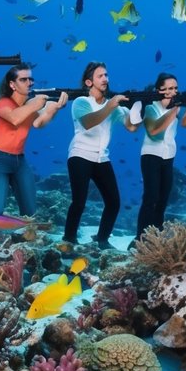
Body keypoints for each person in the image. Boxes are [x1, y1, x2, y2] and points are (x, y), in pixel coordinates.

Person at [64, 61, 138, 247]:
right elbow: (89, 123)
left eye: (106, 75)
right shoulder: (81, 102)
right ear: (89, 82)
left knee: (114, 202)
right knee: (79, 202)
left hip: (101, 157)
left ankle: (102, 239)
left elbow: (131, 127)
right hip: (80, 155)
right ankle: (69, 238)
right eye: (100, 76)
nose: (105, 79)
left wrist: (139, 107)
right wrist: (110, 106)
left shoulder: (113, 106)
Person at [0, 65, 68, 216]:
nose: (29, 82)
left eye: (31, 79)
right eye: (23, 79)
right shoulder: (2, 102)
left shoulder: (29, 106)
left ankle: (26, 238)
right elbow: (15, 118)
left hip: (20, 161)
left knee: (30, 210)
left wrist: (54, 108)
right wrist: (35, 104)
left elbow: (39, 123)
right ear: (12, 84)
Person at [134, 73, 186, 245]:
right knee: (151, 197)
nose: (173, 91)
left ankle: (156, 236)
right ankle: (139, 237)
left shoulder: (174, 107)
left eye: (175, 88)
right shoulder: (150, 107)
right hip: (151, 156)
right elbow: (154, 132)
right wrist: (174, 109)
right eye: (168, 88)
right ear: (159, 90)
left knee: (164, 197)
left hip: (168, 156)